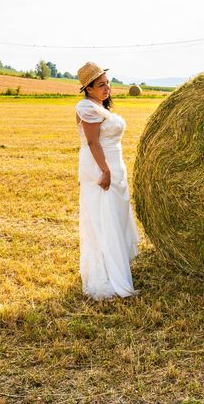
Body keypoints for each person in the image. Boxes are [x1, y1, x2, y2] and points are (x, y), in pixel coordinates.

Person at [75, 62, 140, 300]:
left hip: (115, 166)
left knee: (115, 216)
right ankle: (107, 275)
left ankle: (116, 266)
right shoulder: (86, 108)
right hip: (101, 167)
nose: (107, 88)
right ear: (88, 88)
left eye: (108, 83)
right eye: (101, 84)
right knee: (105, 219)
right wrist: (104, 170)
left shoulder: (99, 106)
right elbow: (93, 143)